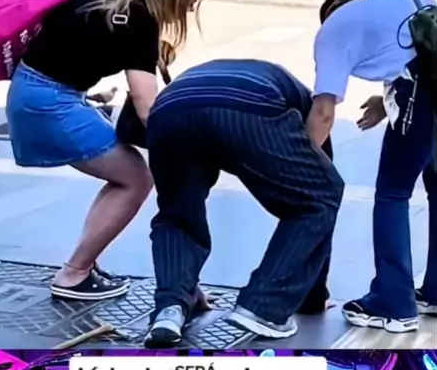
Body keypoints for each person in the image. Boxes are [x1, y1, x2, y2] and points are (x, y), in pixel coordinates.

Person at [6, 0, 210, 302]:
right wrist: (186, 147)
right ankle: (74, 273)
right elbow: (147, 106)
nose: (191, 7)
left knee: (124, 177)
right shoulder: (140, 19)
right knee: (136, 179)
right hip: (50, 102)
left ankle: (83, 264)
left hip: (34, 90)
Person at [144, 58, 344, 347]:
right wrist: (312, 300)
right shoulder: (302, 106)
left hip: (170, 109)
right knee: (320, 197)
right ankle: (264, 306)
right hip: (248, 107)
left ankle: (170, 308)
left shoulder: (275, 82)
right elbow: (317, 202)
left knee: (177, 213)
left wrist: (182, 285)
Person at [306, 0, 437, 333]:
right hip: (428, 85)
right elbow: (416, 52)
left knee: (393, 192)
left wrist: (302, 164)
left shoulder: (331, 31)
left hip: (419, 88)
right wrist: (386, 101)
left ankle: (393, 304)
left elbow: (323, 112)